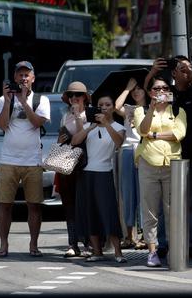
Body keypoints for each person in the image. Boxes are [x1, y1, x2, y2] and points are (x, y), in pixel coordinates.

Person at [145, 56, 192, 257]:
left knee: (191, 202)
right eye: (182, 69)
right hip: (169, 154)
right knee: (167, 202)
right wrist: (152, 72)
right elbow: (148, 94)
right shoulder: (168, 94)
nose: (187, 73)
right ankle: (164, 243)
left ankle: (191, 243)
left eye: (189, 69)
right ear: (173, 74)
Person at [0, 61, 50, 258]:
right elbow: (2, 126)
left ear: (33, 78)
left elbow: (36, 123)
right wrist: (9, 101)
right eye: (20, 75)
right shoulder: (4, 100)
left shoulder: (41, 100)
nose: (23, 78)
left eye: (27, 75)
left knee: (34, 204)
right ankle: (3, 245)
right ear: (14, 78)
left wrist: (24, 101)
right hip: (9, 160)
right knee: (4, 204)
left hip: (32, 161)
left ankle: (33, 245)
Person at [134, 76, 187, 267]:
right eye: (156, 89)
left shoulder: (178, 110)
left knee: (172, 210)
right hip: (149, 163)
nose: (161, 91)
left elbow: (179, 134)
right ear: (150, 92)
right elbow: (142, 130)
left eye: (164, 88)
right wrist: (151, 109)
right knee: (150, 210)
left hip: (172, 165)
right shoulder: (141, 110)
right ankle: (152, 251)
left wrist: (154, 135)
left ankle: (174, 250)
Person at [71, 93, 127, 263]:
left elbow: (119, 143)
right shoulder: (89, 125)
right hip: (87, 173)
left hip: (104, 173)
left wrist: (106, 124)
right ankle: (96, 251)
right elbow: (75, 141)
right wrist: (89, 127)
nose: (103, 108)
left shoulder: (118, 127)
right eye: (101, 105)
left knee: (108, 212)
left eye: (107, 105)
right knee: (90, 212)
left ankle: (118, 252)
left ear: (113, 108)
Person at [114, 77, 148, 250]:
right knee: (127, 193)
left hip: (144, 151)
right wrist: (127, 87)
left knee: (143, 194)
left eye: (139, 88)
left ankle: (144, 236)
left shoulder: (151, 109)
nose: (136, 92)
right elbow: (116, 107)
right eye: (135, 89)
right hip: (127, 151)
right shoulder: (128, 109)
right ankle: (129, 235)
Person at [57, 81, 90, 258]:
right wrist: (61, 139)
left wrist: (78, 115)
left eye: (78, 95)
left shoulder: (90, 115)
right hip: (66, 162)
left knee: (84, 204)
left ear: (85, 97)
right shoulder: (64, 116)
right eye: (71, 96)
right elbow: (61, 138)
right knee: (69, 205)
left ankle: (87, 244)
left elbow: (81, 136)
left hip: (85, 163)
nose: (74, 98)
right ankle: (73, 244)